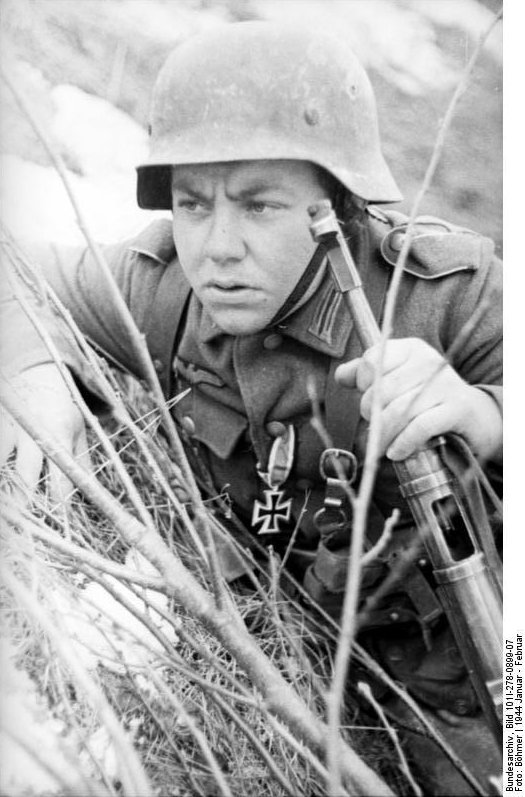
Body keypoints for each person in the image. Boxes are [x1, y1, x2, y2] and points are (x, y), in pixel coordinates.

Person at [0, 21, 502, 794]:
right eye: (193, 205)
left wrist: (482, 412)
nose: (218, 246)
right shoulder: (164, 286)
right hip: (282, 646)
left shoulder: (443, 297)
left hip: (468, 672)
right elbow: (17, 269)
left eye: (259, 205)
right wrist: (36, 366)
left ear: (337, 204)